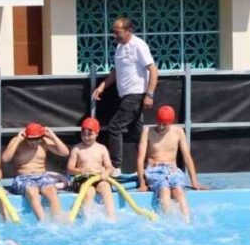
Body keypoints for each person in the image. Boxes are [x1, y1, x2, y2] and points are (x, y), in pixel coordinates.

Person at [91, 17, 159, 176]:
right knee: (137, 134)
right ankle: (148, 166)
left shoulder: (138, 45)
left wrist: (149, 94)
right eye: (113, 32)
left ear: (129, 31)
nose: (114, 36)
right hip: (126, 95)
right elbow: (116, 71)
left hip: (136, 94)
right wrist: (102, 86)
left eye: (118, 32)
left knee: (115, 127)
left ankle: (115, 166)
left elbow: (153, 70)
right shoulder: (120, 48)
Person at [137, 105, 207, 221]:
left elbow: (187, 157)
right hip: (155, 170)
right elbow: (140, 158)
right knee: (164, 190)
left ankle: (187, 223)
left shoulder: (178, 131)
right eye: (159, 122)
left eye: (164, 124)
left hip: (172, 170)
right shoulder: (147, 131)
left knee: (179, 191)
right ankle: (170, 222)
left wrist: (194, 181)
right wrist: (142, 182)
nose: (160, 126)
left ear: (171, 122)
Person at [2, 123, 70, 223]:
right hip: (23, 178)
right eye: (31, 140)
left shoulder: (44, 142)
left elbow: (65, 152)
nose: (35, 143)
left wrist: (52, 135)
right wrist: (17, 140)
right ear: (25, 137)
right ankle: (43, 221)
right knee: (33, 192)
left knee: (51, 191)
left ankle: (57, 220)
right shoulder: (18, 142)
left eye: (38, 139)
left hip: (42, 176)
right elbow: (5, 158)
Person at [66, 117, 117, 221]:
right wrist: (80, 170)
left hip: (98, 177)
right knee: (89, 191)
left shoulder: (102, 148)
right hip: (83, 178)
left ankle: (112, 216)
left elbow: (109, 167)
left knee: (106, 186)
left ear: (97, 133)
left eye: (90, 135)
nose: (86, 137)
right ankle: (87, 219)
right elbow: (69, 168)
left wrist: (106, 172)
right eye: (83, 134)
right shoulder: (77, 149)